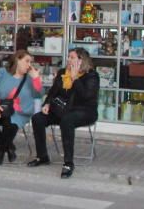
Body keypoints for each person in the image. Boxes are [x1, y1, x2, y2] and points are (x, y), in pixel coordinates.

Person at [28, 48, 99, 179]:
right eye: (68, 57)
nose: (68, 60)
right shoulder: (62, 73)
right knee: (38, 118)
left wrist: (75, 78)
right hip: (61, 109)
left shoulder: (91, 76)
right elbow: (53, 92)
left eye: (72, 57)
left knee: (67, 121)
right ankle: (42, 156)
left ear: (81, 60)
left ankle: (68, 163)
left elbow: (86, 97)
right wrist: (47, 104)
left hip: (84, 111)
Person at [0, 50, 43, 166]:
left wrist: (36, 79)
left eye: (30, 62)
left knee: (9, 124)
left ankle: (0, 153)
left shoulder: (30, 78)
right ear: (17, 60)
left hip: (20, 111)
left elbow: (38, 95)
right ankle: (9, 146)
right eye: (27, 61)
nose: (29, 65)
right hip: (0, 106)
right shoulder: (2, 73)